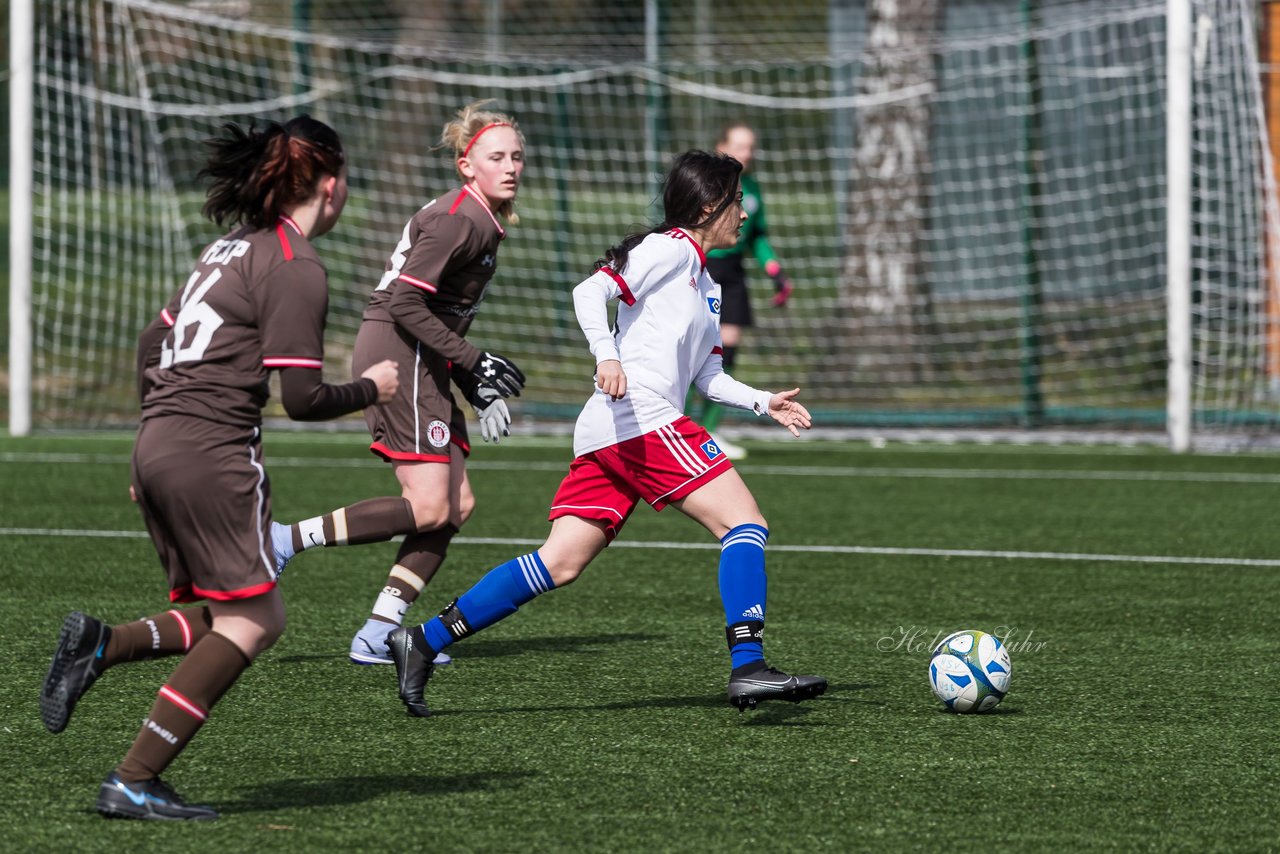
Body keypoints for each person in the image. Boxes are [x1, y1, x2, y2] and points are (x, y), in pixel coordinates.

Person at [38, 115, 399, 821]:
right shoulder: (295, 265)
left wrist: (155, 438)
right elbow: (300, 398)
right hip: (212, 452)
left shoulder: (228, 247)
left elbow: (152, 340)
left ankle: (102, 644)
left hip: (161, 443)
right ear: (330, 186)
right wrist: (372, 389)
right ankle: (133, 778)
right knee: (259, 619)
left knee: (234, 605)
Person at [386, 149, 827, 718]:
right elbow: (588, 292)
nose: (745, 214)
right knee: (744, 524)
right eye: (738, 202)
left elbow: (708, 376)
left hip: (611, 430)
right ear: (711, 205)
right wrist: (607, 355)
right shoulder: (667, 249)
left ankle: (422, 641)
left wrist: (765, 402)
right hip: (639, 419)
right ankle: (749, 667)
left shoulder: (707, 283)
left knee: (560, 562)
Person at [268, 101, 527, 669]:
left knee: (456, 504)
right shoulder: (463, 218)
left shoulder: (482, 218)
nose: (510, 166)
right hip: (398, 353)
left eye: (516, 156)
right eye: (495, 157)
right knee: (430, 504)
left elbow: (440, 315)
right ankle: (284, 541)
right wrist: (474, 360)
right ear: (466, 165)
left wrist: (472, 382)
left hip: (422, 356)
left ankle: (379, 630)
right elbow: (405, 302)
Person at [690, 121, 794, 461]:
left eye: (750, 146)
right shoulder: (706, 185)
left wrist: (774, 270)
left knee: (725, 354)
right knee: (692, 354)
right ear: (722, 144)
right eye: (738, 145)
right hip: (704, 267)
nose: (745, 153)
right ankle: (679, 422)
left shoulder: (753, 188)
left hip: (733, 274)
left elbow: (759, 236)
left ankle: (709, 430)